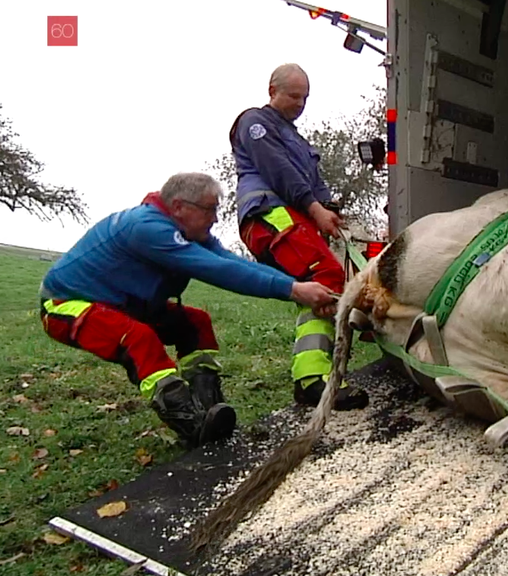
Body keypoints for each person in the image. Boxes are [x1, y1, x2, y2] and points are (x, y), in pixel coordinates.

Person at [38, 172, 339, 448]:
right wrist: (294, 290)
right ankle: (192, 425)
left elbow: (231, 262)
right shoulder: (147, 228)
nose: (216, 218)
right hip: (67, 305)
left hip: (124, 304)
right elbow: (217, 270)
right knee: (138, 338)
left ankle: (210, 409)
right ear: (180, 206)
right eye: (209, 209)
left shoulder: (187, 231)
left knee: (196, 324)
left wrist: (295, 285)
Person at [228, 62, 368, 411]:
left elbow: (313, 181)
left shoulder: (299, 140)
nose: (300, 104)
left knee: (321, 284)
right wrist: (315, 209)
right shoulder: (254, 123)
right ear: (272, 91)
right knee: (326, 276)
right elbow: (279, 170)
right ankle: (313, 381)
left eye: (305, 98)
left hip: (291, 214)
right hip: (268, 211)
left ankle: (313, 376)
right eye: (294, 96)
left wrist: (329, 206)